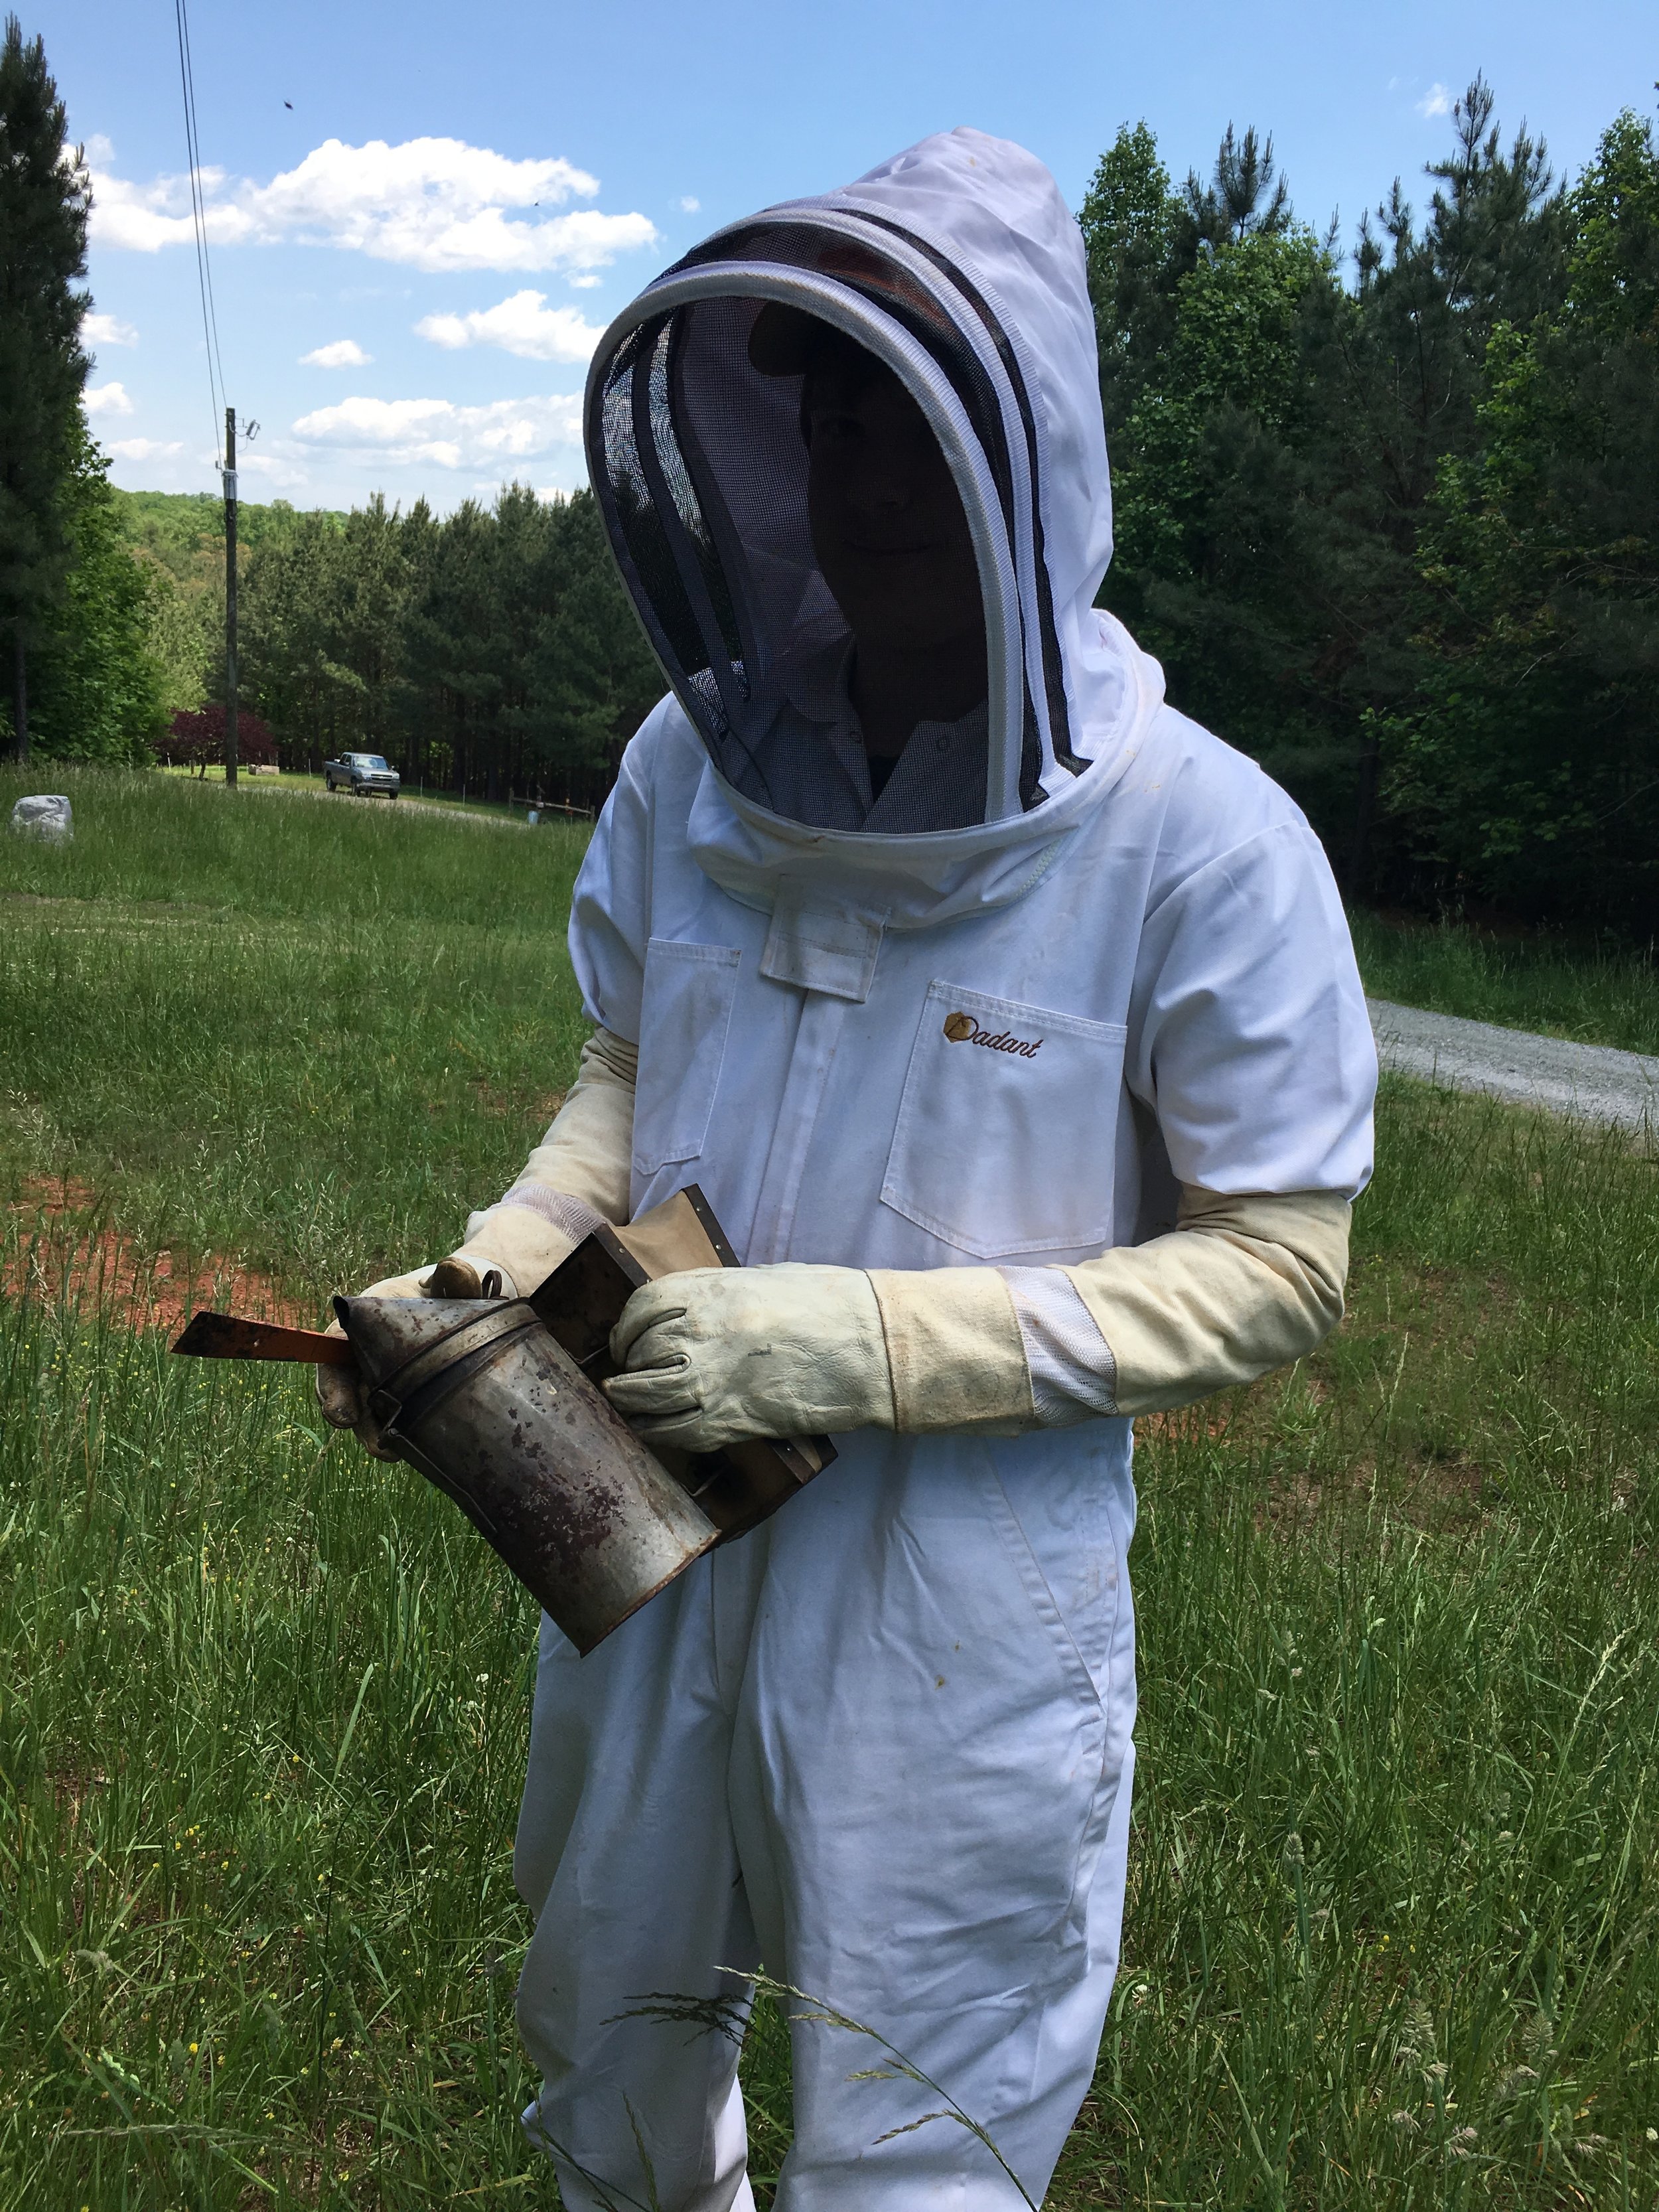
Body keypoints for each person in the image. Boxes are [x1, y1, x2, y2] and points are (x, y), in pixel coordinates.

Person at [319, 127, 1376, 2211]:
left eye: (914, 430)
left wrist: (863, 1347)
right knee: (605, 2019)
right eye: (826, 430)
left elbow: (1276, 1260)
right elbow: (631, 1064)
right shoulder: (682, 761)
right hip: (639, 1513)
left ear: (1027, 455)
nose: (865, 490)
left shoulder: (1201, 841)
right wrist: (507, 1259)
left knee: (926, 2107)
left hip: (956, 1609)